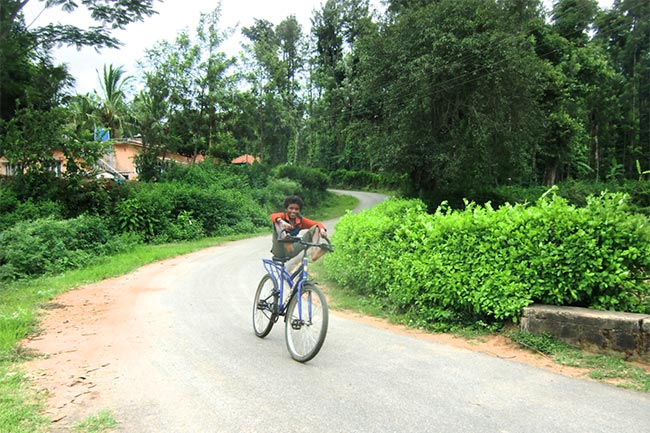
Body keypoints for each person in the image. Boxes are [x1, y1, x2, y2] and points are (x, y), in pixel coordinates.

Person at [270, 195, 329, 262]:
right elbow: (273, 216)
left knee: (316, 228)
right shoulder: (282, 216)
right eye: (291, 208)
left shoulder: (300, 220)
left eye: (296, 209)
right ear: (286, 209)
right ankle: (286, 239)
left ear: (299, 210)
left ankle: (314, 252)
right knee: (277, 222)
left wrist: (322, 230)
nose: (293, 211)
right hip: (279, 250)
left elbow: (317, 224)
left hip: (292, 250)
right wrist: (282, 221)